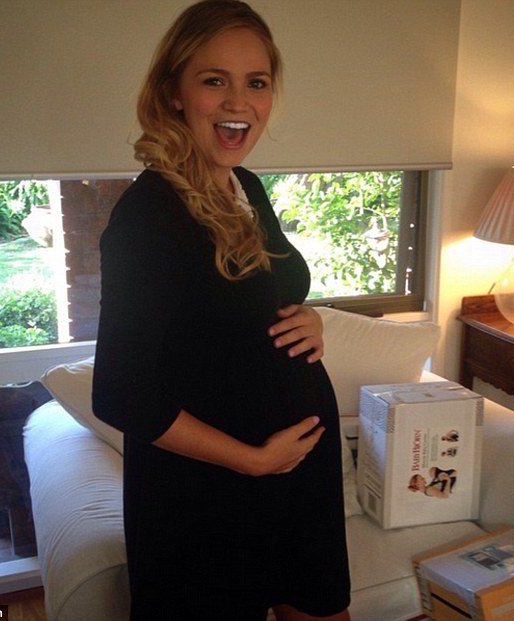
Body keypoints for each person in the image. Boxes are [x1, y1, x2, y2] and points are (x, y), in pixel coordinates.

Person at [92, 1, 351, 619]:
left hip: (296, 476)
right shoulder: (150, 216)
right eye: (215, 80)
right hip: (208, 494)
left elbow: (251, 296)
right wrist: (255, 461)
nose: (240, 102)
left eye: (256, 83)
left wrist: (310, 317)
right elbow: (120, 394)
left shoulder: (245, 186)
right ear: (174, 93)